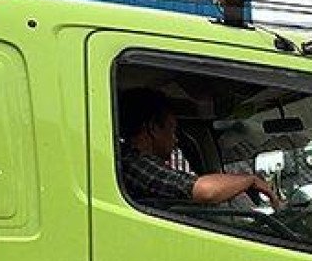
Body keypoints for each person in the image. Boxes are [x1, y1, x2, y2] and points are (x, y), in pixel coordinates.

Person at [118, 88, 280, 207]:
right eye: (172, 131)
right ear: (153, 128)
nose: (175, 141)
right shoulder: (134, 163)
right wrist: (250, 180)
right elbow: (204, 191)